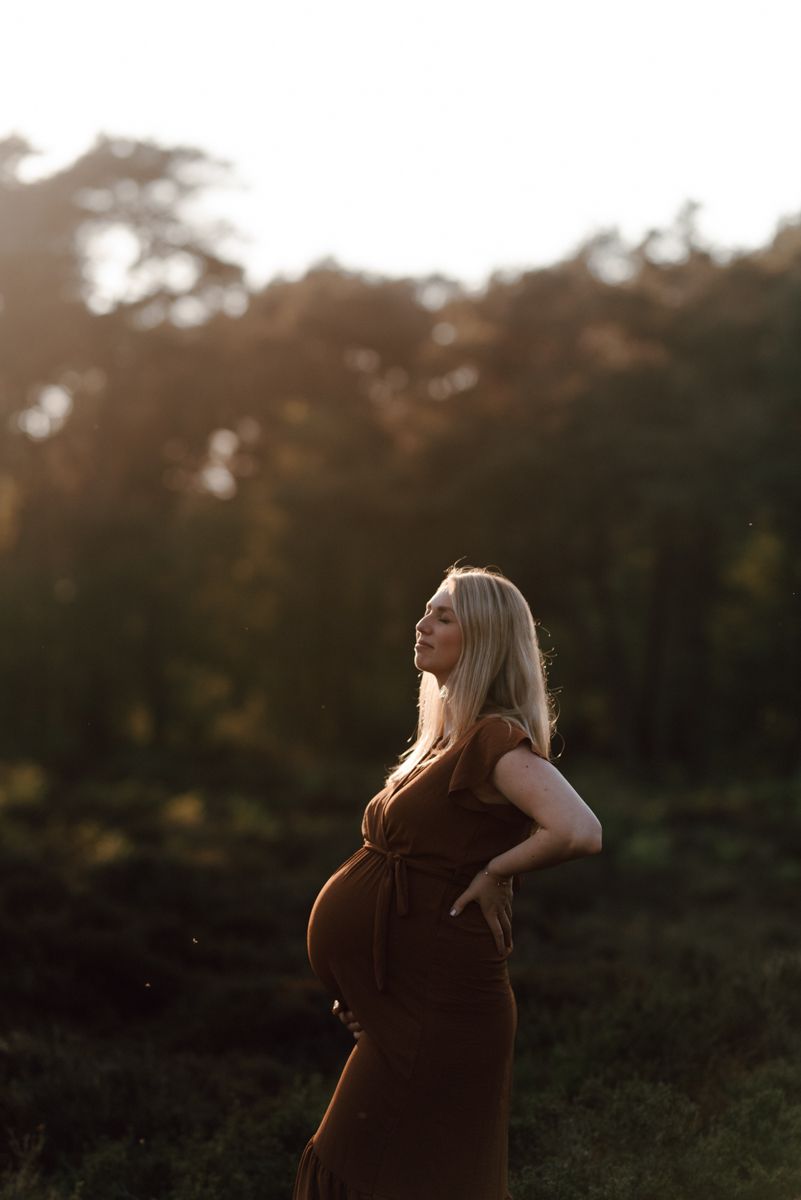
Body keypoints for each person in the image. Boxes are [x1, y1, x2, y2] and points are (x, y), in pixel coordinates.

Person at [292, 564, 602, 1200]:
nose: (422, 624)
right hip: (407, 1006)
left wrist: (496, 871)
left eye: (443, 616)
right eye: (426, 611)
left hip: (443, 1012)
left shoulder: (495, 737)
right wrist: (364, 988)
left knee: (372, 1172)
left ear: (484, 638)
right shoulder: (444, 742)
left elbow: (578, 829)